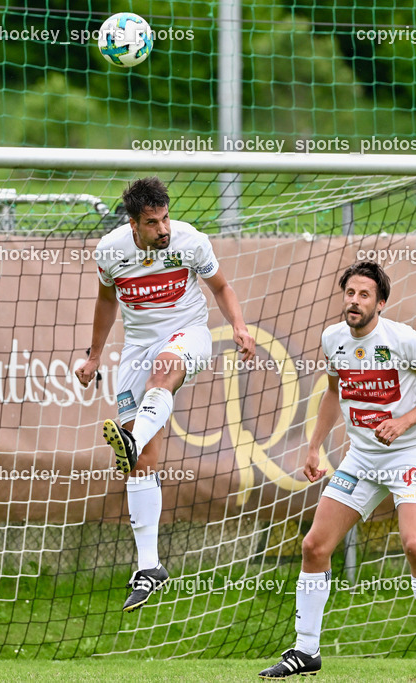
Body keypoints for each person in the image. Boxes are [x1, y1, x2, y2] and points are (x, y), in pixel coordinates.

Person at [259, 261, 416, 681]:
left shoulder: (404, 339)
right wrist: (314, 446)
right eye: (350, 292)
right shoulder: (332, 339)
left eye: (364, 294)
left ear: (380, 303)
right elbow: (334, 392)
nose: (354, 300)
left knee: (414, 544)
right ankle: (305, 650)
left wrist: (403, 422)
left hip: (410, 457)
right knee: (314, 546)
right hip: (362, 460)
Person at [76, 176, 255, 612]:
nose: (164, 228)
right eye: (153, 222)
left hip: (187, 334)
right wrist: (94, 355)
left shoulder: (190, 240)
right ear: (134, 225)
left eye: (166, 217)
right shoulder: (111, 251)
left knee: (164, 373)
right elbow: (106, 301)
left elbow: (222, 288)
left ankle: (132, 437)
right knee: (142, 464)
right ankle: (150, 567)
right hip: (136, 347)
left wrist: (239, 326)